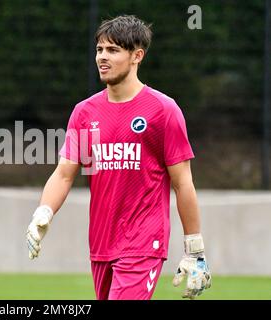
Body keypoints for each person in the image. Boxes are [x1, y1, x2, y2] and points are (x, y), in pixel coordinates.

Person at [26, 15, 211, 300]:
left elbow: (183, 182)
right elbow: (64, 173)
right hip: (101, 241)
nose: (102, 57)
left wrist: (195, 249)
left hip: (143, 242)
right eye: (100, 49)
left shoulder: (163, 110)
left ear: (137, 55)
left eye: (113, 50)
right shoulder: (84, 112)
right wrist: (44, 212)